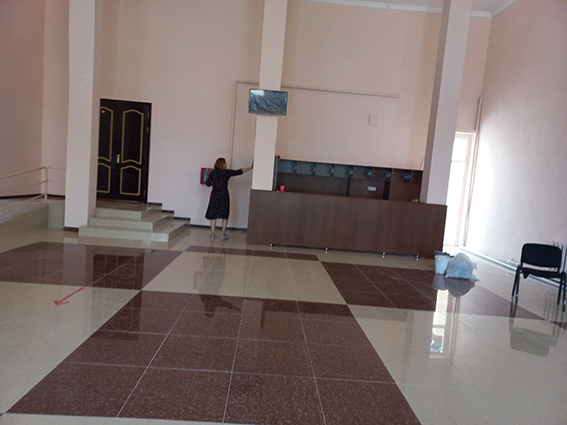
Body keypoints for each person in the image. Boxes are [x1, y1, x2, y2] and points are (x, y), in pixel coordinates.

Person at [205, 157, 253, 240]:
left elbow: (208, 184)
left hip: (214, 194)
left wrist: (214, 183)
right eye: (225, 163)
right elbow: (239, 171)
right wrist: (250, 167)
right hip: (224, 194)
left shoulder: (213, 173)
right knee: (225, 214)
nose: (226, 164)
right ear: (222, 164)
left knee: (213, 214)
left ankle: (212, 234)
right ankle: (223, 233)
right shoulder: (226, 172)